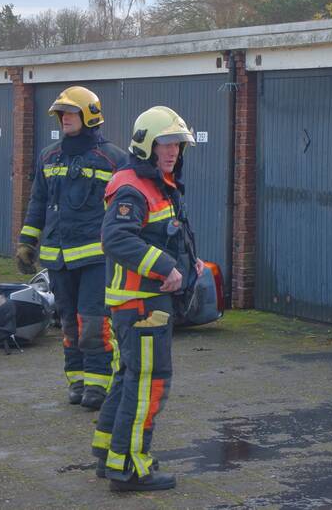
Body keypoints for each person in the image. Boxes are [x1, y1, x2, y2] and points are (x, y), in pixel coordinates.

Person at [91, 106, 202, 492]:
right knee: (148, 386)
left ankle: (108, 454)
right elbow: (118, 238)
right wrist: (167, 268)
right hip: (142, 307)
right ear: (147, 145)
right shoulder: (133, 188)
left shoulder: (157, 183)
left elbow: (161, 234)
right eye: (166, 144)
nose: (173, 151)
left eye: (177, 144)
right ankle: (131, 469)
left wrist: (190, 262)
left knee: (126, 382)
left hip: (137, 306)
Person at [16, 86, 126, 409]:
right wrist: (27, 242)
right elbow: (38, 201)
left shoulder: (114, 159)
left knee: (93, 322)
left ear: (89, 115)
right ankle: (77, 381)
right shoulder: (49, 156)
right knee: (67, 323)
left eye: (70, 113)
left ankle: (99, 385)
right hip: (58, 257)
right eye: (61, 113)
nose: (64, 118)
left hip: (95, 259)